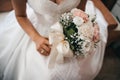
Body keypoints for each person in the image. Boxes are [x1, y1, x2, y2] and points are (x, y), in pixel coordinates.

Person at [0, 0, 108, 80]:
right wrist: (37, 38)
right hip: (38, 31)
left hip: (67, 27)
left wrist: (77, 31)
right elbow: (20, 15)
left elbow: (79, 11)